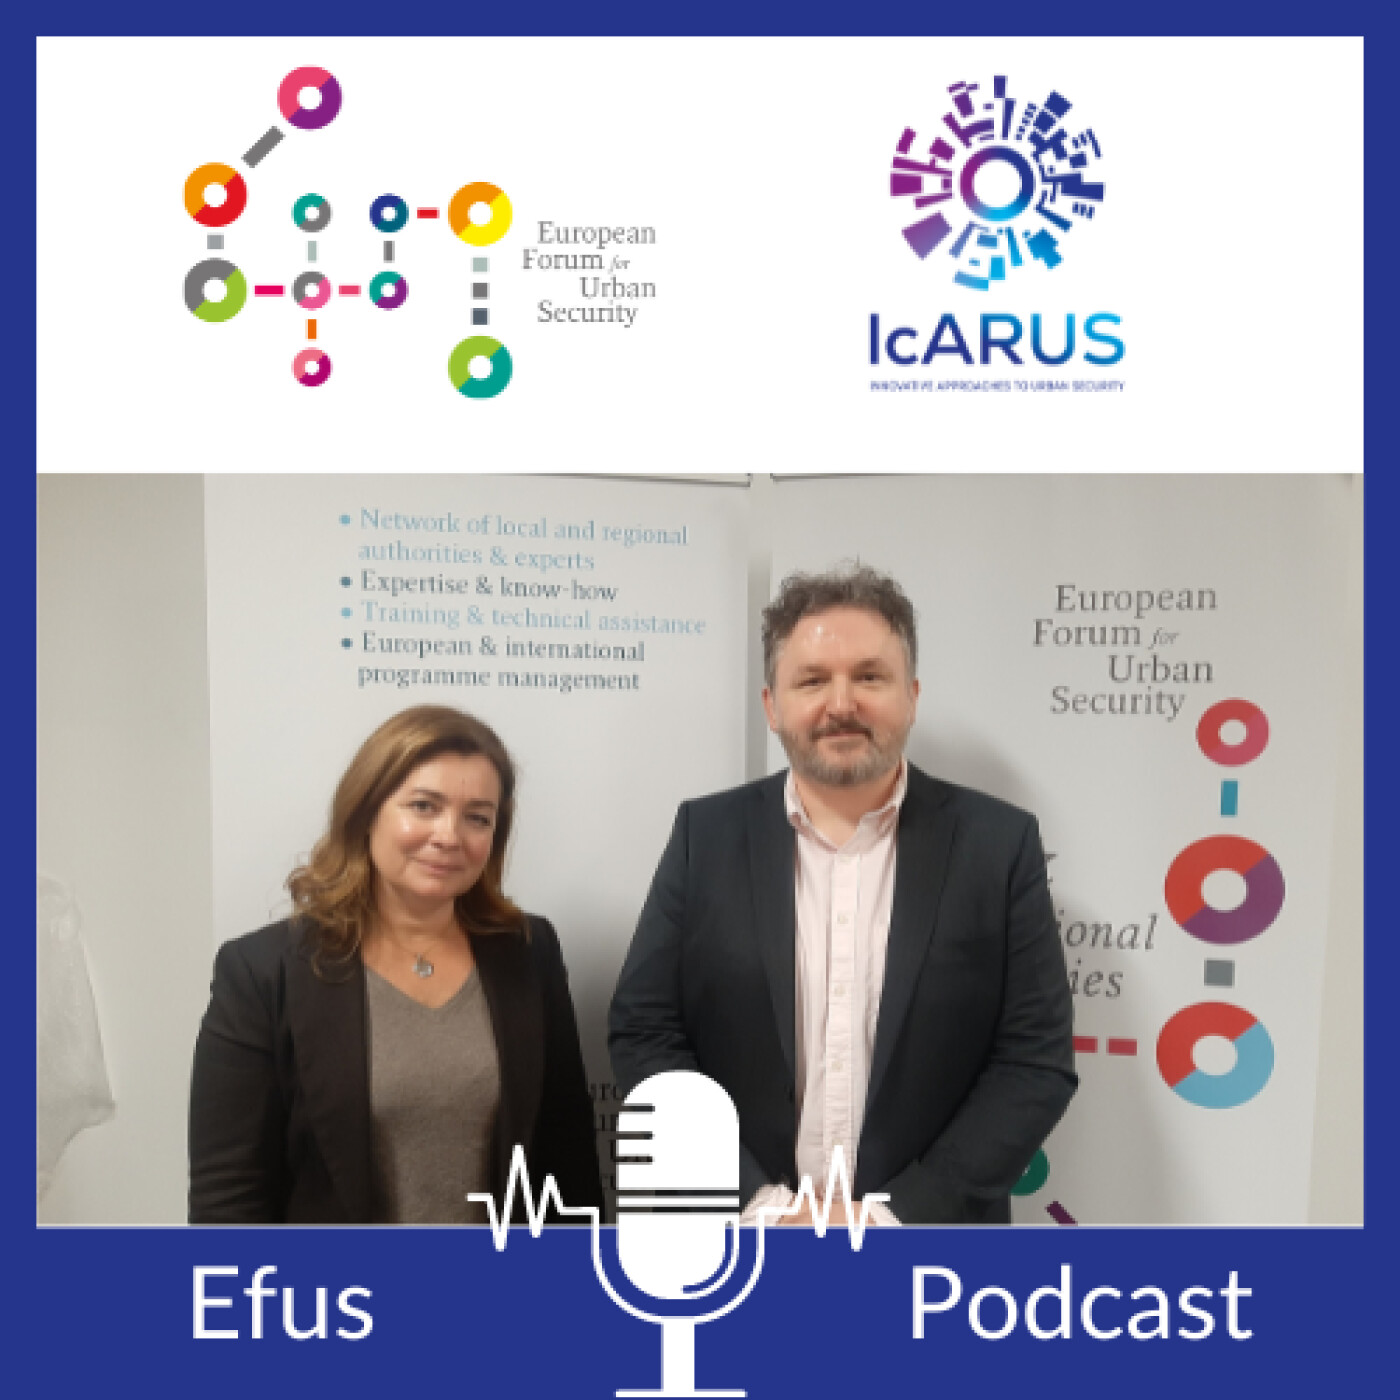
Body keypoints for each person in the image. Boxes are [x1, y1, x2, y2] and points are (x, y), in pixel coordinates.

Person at [609, 564, 1076, 1225]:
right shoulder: (704, 837)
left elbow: (1034, 1060)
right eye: (812, 680)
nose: (841, 704)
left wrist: (893, 1218)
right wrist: (761, 1203)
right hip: (739, 1237)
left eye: (869, 676)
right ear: (772, 705)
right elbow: (645, 1032)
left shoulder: (997, 845)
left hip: (927, 1246)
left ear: (911, 696)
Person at [189, 705, 603, 1224]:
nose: (449, 836)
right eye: (424, 806)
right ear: (366, 811)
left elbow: (568, 1163)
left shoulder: (528, 950)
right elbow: (228, 1201)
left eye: (477, 817)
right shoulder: (261, 972)